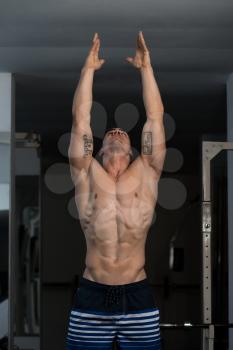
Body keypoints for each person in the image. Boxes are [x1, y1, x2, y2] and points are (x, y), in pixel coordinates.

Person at [66, 31, 166, 350]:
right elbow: (81, 119)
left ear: (133, 149)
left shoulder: (147, 171)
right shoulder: (86, 174)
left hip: (136, 292)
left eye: (122, 133)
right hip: (93, 291)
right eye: (110, 132)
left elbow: (154, 117)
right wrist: (88, 70)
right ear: (99, 148)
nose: (117, 132)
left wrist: (146, 68)